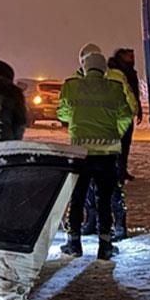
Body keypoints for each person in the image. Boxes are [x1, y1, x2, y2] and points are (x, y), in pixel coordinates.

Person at [58, 49, 133, 260]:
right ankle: (105, 245)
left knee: (78, 198)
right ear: (104, 70)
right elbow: (126, 115)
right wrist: (114, 133)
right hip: (107, 153)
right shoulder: (115, 88)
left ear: (84, 67)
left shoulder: (72, 86)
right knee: (104, 199)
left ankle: (74, 243)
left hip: (80, 153)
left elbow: (61, 113)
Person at [110, 48, 142, 181]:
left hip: (126, 112)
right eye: (130, 56)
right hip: (120, 113)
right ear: (122, 56)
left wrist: (138, 109)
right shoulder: (118, 73)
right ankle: (118, 170)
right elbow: (129, 93)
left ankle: (122, 169)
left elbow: (134, 93)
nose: (133, 59)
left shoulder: (128, 71)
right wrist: (135, 108)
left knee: (125, 143)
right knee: (119, 144)